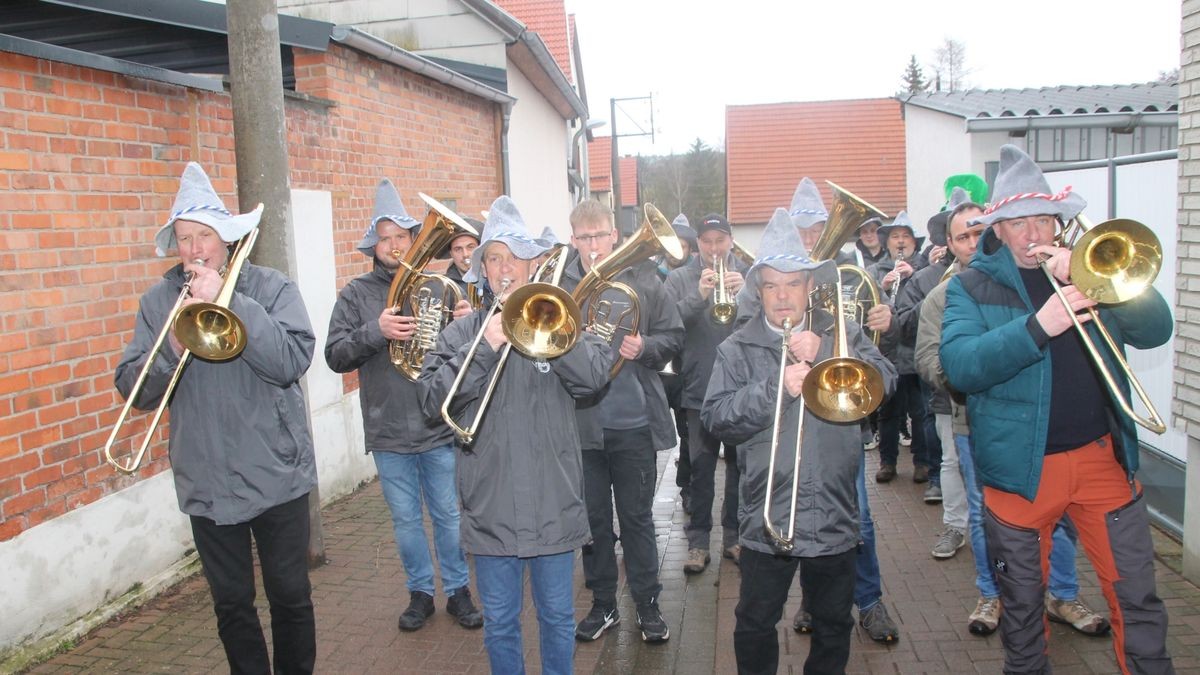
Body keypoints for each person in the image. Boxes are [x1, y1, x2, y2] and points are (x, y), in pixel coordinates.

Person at [941, 144, 1173, 674]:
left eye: (1044, 219)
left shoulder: (1087, 270)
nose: (1033, 235)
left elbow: (1156, 329)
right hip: (1020, 471)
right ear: (997, 228)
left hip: (1100, 460)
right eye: (1019, 223)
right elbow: (960, 366)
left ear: (1057, 223)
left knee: (1138, 602)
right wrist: (1038, 325)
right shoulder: (972, 287)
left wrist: (1096, 281)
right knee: (1022, 616)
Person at [115, 162, 317, 674]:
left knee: (290, 597)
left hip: (276, 473)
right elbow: (133, 389)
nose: (194, 248)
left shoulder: (270, 288)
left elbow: (291, 362)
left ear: (225, 239)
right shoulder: (158, 301)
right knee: (231, 607)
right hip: (207, 479)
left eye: (204, 235)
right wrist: (173, 343)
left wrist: (234, 303)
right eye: (184, 238)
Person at [418, 196, 611, 674]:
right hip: (491, 504)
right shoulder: (461, 334)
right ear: (483, 268)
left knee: (558, 618)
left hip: (553, 501)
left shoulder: (562, 320)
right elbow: (431, 404)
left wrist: (554, 337)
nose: (505, 269)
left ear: (533, 264)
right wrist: (485, 345)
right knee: (501, 622)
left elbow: (593, 379)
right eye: (495, 258)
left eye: (514, 258)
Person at [702, 207, 897, 675]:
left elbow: (886, 381)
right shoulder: (736, 348)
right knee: (754, 623)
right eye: (772, 284)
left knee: (833, 624)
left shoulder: (840, 332)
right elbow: (716, 418)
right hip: (766, 515)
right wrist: (777, 389)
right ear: (759, 290)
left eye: (793, 283)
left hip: (833, 512)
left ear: (811, 288)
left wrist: (830, 352)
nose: (783, 295)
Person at [916, 194, 1109, 638]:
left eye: (976, 232)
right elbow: (929, 359)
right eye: (962, 235)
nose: (971, 241)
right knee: (988, 517)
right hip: (973, 420)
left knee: (1057, 516)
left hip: (1040, 425)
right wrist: (972, 375)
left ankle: (1062, 593)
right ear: (950, 242)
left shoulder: (1038, 278)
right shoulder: (946, 293)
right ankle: (992, 593)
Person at [324, 179, 483, 633]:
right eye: (384, 238)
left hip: (435, 424)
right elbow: (335, 356)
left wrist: (464, 328)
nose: (393, 246)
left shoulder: (442, 287)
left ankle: (458, 591)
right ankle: (420, 593)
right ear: (373, 246)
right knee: (407, 522)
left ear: (414, 240)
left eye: (400, 237)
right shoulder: (356, 295)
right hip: (389, 427)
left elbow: (466, 358)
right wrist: (376, 331)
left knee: (450, 516)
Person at [563, 199, 683, 644]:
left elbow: (673, 337)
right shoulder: (562, 282)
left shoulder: (645, 279)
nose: (594, 245)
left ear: (615, 234)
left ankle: (647, 604)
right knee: (593, 522)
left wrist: (646, 346)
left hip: (633, 422)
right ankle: (603, 604)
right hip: (581, 424)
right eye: (585, 237)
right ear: (573, 239)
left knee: (636, 519)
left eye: (600, 235)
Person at [664, 212, 748, 572]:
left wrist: (745, 295)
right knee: (700, 468)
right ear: (697, 243)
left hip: (741, 388)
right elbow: (666, 325)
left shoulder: (748, 275)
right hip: (698, 386)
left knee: (740, 467)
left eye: (720, 240)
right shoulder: (681, 277)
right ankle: (698, 542)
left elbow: (769, 324)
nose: (714, 248)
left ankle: (735, 537)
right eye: (707, 241)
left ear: (730, 241)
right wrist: (698, 296)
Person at [869, 212, 932, 484]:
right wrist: (880, 288)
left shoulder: (925, 269)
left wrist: (914, 274)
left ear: (915, 243)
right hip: (888, 352)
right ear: (887, 243)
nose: (901, 241)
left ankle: (922, 462)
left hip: (915, 349)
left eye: (905, 236)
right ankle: (887, 462)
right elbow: (868, 307)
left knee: (920, 411)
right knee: (888, 412)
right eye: (895, 237)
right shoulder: (876, 271)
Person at [660, 213, 698, 516]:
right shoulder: (654, 273)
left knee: (687, 431)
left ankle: (686, 485)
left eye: (683, 247)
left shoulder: (696, 278)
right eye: (673, 246)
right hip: (660, 367)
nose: (677, 252)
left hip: (686, 366)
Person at [442, 217, 482, 299]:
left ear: (480, 249)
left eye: (470, 247)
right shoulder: (444, 287)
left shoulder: (493, 281)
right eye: (458, 249)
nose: (465, 254)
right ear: (451, 254)